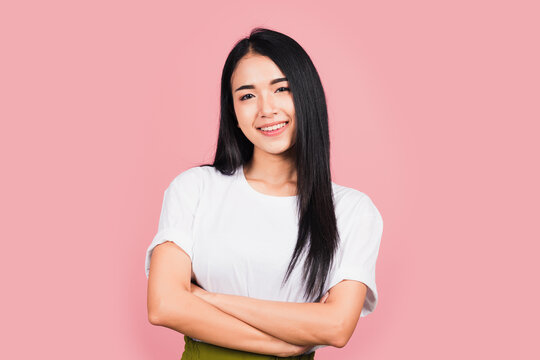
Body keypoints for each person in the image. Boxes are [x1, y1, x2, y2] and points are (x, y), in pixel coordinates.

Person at [145, 27, 384, 359]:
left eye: (281, 89)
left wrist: (205, 298)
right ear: (233, 112)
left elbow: (336, 327)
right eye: (247, 95)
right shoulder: (195, 189)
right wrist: (281, 345)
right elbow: (164, 305)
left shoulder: (351, 210)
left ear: (307, 95)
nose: (266, 109)